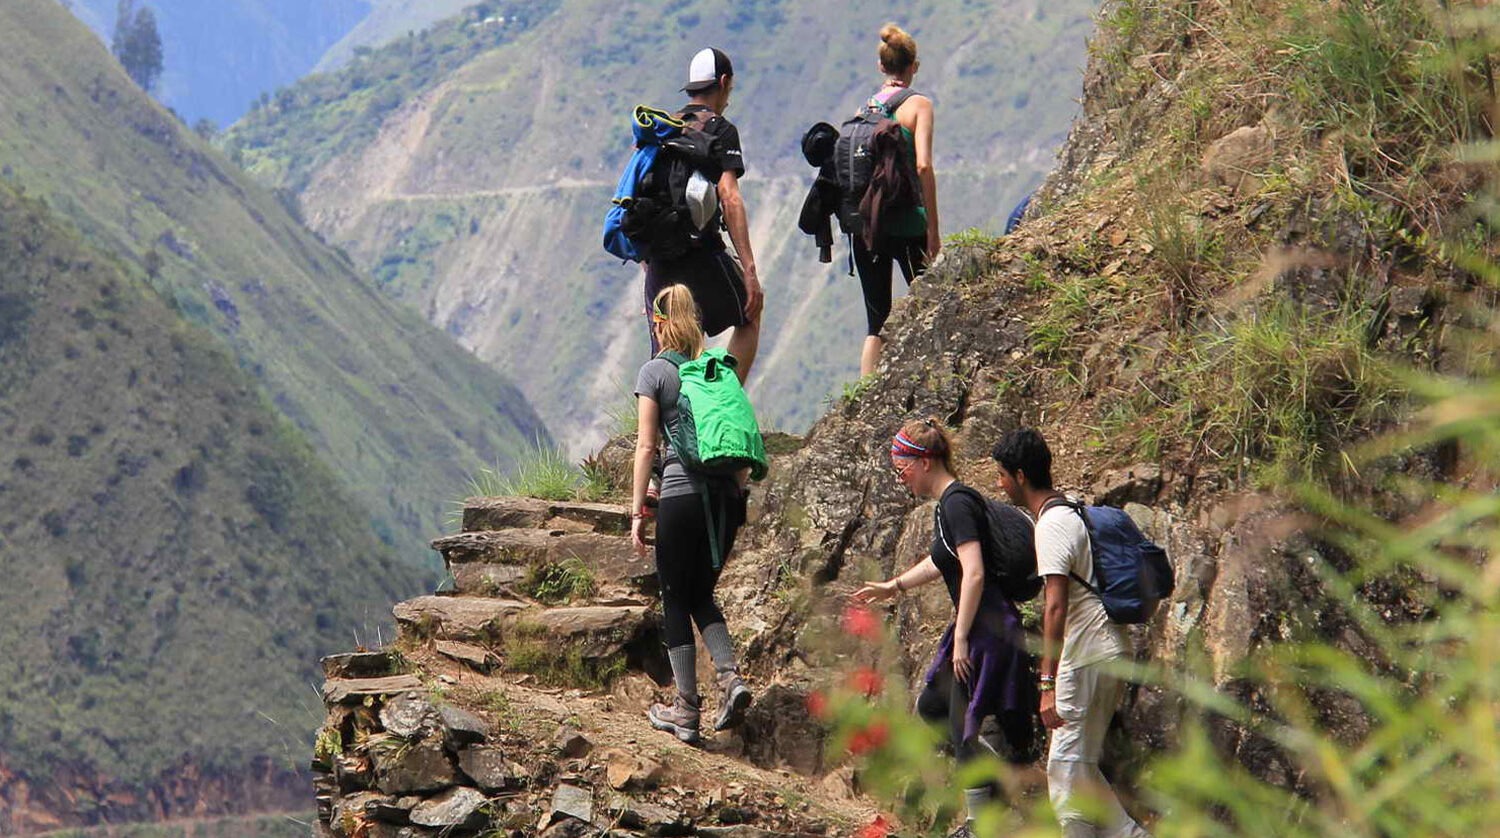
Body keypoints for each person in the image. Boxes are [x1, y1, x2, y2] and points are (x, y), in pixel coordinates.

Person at [853, 418, 1036, 838]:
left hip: (986, 628)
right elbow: (943, 561)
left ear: (925, 462)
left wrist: (962, 639)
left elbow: (974, 572)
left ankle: (979, 823)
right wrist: (893, 586)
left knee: (960, 723)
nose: (901, 477)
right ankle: (1000, 779)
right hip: (978, 625)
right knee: (933, 709)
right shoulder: (951, 504)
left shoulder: (956, 503)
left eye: (902, 468)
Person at [992, 428, 1151, 838]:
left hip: (1085, 656)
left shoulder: (1051, 525)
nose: (1000, 483)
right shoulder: (1074, 510)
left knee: (1063, 769)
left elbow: (1055, 607)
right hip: (1112, 649)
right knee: (1080, 765)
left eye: (1003, 475)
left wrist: (1046, 682)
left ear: (1021, 476)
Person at [630, 284, 752, 745]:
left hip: (681, 496)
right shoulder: (718, 370)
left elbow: (647, 446)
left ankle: (685, 709)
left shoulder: (655, 372)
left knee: (674, 596)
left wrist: (637, 511)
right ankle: (730, 678)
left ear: (659, 324)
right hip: (726, 499)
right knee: (701, 592)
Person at [643, 47, 764, 378]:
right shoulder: (720, 130)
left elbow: (642, 198)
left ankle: (662, 409)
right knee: (751, 311)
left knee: (668, 350)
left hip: (658, 259)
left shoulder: (663, 129)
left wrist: (647, 262)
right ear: (723, 82)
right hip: (701, 252)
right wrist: (750, 270)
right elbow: (730, 197)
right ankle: (723, 398)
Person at [853, 24, 941, 377]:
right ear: (914, 66)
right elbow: (923, 165)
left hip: (867, 225)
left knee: (876, 322)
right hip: (907, 223)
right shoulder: (919, 105)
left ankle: (862, 399)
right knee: (932, 305)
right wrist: (933, 230)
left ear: (881, 66)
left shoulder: (865, 109)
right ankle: (930, 378)